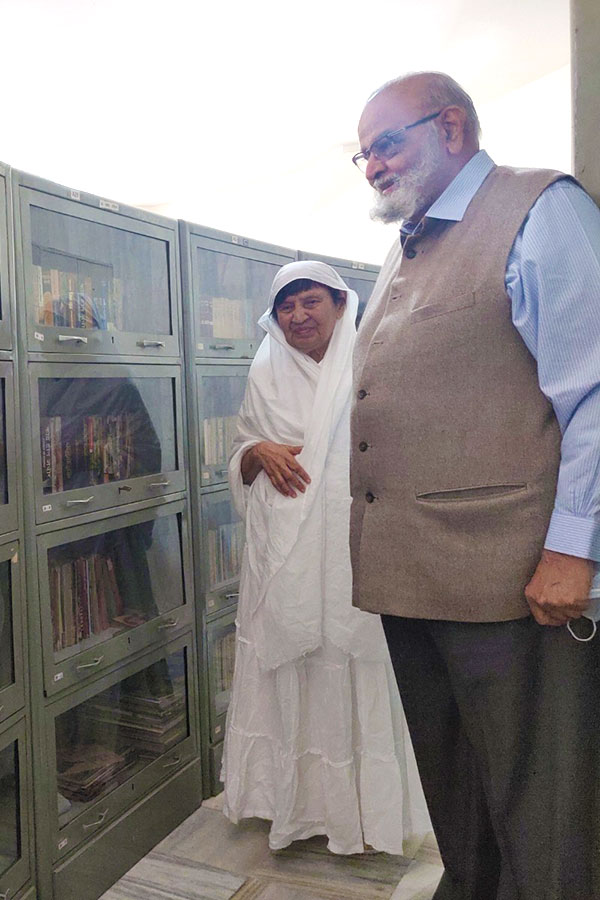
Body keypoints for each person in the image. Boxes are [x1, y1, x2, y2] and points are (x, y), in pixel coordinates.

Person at [351, 71, 600, 898]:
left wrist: (575, 547)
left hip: (512, 579)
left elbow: (593, 390)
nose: (373, 165)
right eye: (363, 155)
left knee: (543, 806)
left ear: (451, 126)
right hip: (413, 579)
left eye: (386, 142)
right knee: (458, 797)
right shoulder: (403, 249)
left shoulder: (538, 208)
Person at [221, 260, 429, 855]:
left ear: (341, 305)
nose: (298, 316)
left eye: (311, 301)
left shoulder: (372, 359)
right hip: (282, 548)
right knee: (287, 666)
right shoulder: (265, 368)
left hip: (351, 545)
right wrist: (256, 449)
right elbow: (241, 450)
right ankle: (287, 805)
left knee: (351, 657)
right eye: (286, 306)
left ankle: (364, 816)